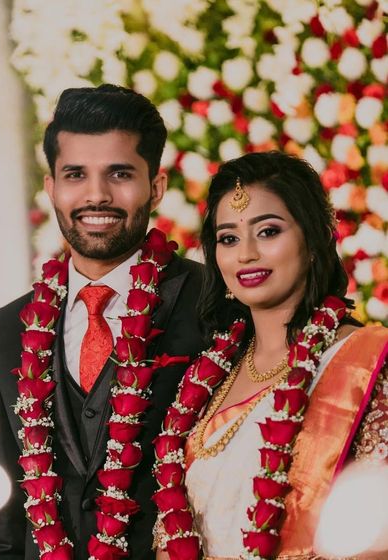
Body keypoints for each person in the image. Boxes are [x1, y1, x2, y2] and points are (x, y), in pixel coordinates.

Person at [0, 84, 206, 560]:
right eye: (76, 174)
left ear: (155, 188)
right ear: (52, 187)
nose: (96, 195)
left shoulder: (213, 304)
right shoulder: (6, 329)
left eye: (119, 173)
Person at [153, 152, 387, 560]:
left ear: (313, 240)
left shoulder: (364, 363)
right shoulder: (206, 378)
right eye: (228, 238)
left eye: (268, 231)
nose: (246, 254)